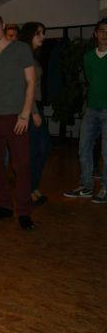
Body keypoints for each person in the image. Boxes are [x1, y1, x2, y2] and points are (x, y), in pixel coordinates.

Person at [0, 11, 38, 230]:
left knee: (21, 165)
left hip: (16, 115)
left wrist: (25, 114)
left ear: (3, 25)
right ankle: (4, 206)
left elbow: (31, 82)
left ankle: (24, 211)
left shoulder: (21, 49)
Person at [63, 18, 107, 203]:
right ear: (95, 34)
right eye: (102, 31)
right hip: (91, 108)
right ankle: (86, 186)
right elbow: (89, 80)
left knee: (106, 152)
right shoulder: (88, 57)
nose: (105, 34)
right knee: (84, 148)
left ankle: (105, 189)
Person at [19, 22, 51, 205]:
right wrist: (34, 112)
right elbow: (25, 87)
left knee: (42, 149)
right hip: (29, 108)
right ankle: (28, 189)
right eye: (38, 33)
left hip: (36, 106)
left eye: (43, 33)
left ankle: (33, 186)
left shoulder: (33, 56)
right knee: (34, 150)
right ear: (29, 35)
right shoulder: (25, 56)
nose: (42, 37)